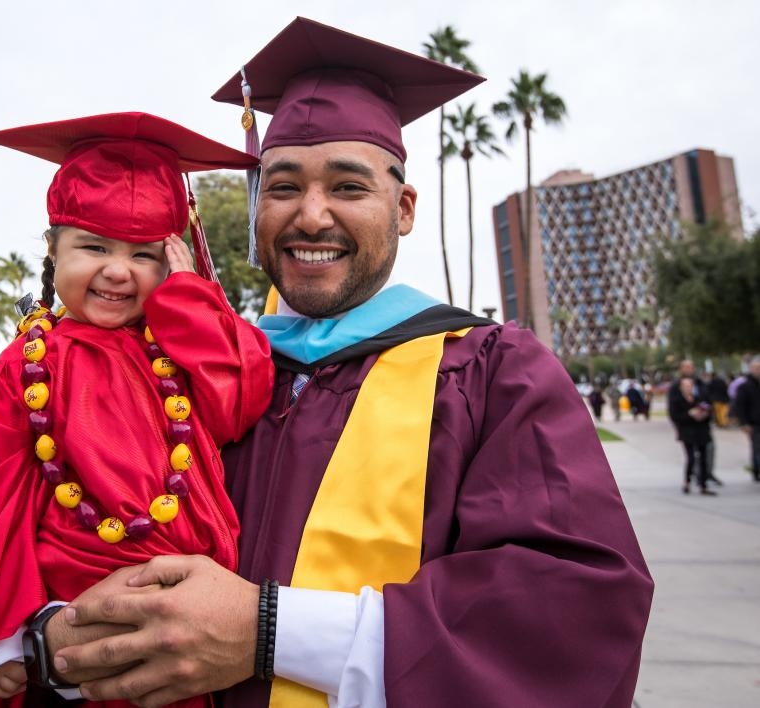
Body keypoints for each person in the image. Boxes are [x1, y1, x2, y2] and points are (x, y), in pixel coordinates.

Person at [45, 18, 654, 708]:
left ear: (404, 208)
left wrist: (270, 632)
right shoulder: (197, 372)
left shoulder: (493, 375)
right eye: (280, 187)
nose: (310, 216)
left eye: (348, 187)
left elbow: (573, 616)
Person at [0, 112, 273, 707]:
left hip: (198, 616)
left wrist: (187, 300)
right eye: (93, 247)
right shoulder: (20, 371)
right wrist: (9, 639)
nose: (118, 270)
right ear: (52, 249)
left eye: (145, 255)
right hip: (81, 622)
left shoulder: (175, 350)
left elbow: (241, 399)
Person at [668, 375, 716, 495]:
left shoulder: (699, 398)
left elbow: (709, 411)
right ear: (681, 387)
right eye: (685, 386)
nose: (688, 388)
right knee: (691, 458)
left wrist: (703, 415)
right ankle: (687, 481)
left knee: (704, 457)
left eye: (690, 385)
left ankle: (703, 483)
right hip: (687, 432)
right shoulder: (677, 401)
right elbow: (675, 417)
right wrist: (690, 414)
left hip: (702, 431)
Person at [733, 356, 760, 482]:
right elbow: (740, 406)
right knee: (757, 447)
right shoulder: (744, 387)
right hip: (753, 422)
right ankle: (757, 470)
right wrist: (744, 422)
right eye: (756, 369)